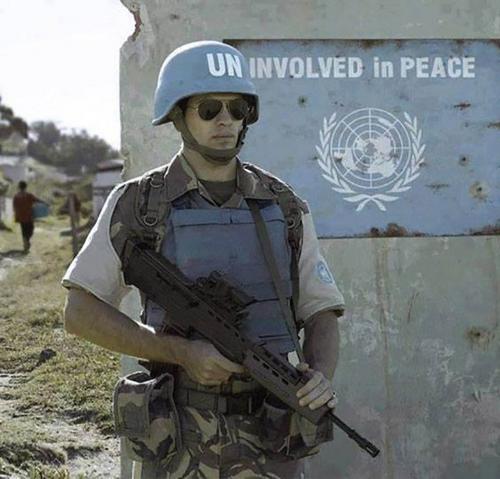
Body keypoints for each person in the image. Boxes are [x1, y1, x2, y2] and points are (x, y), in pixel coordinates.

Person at [62, 41, 345, 479]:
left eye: (237, 109)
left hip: (272, 438)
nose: (225, 120)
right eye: (209, 109)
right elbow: (80, 311)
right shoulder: (139, 204)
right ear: (178, 116)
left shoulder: (283, 205)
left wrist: (320, 374)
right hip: (178, 442)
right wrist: (178, 351)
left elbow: (321, 309)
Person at [13, 180, 48, 253]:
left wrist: (16, 214)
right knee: (30, 230)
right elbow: (37, 200)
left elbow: (14, 207)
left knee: (24, 230)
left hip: (21, 217)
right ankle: (26, 243)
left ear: (19, 187)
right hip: (28, 216)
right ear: (26, 187)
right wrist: (45, 202)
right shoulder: (28, 195)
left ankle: (26, 242)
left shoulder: (16, 196)